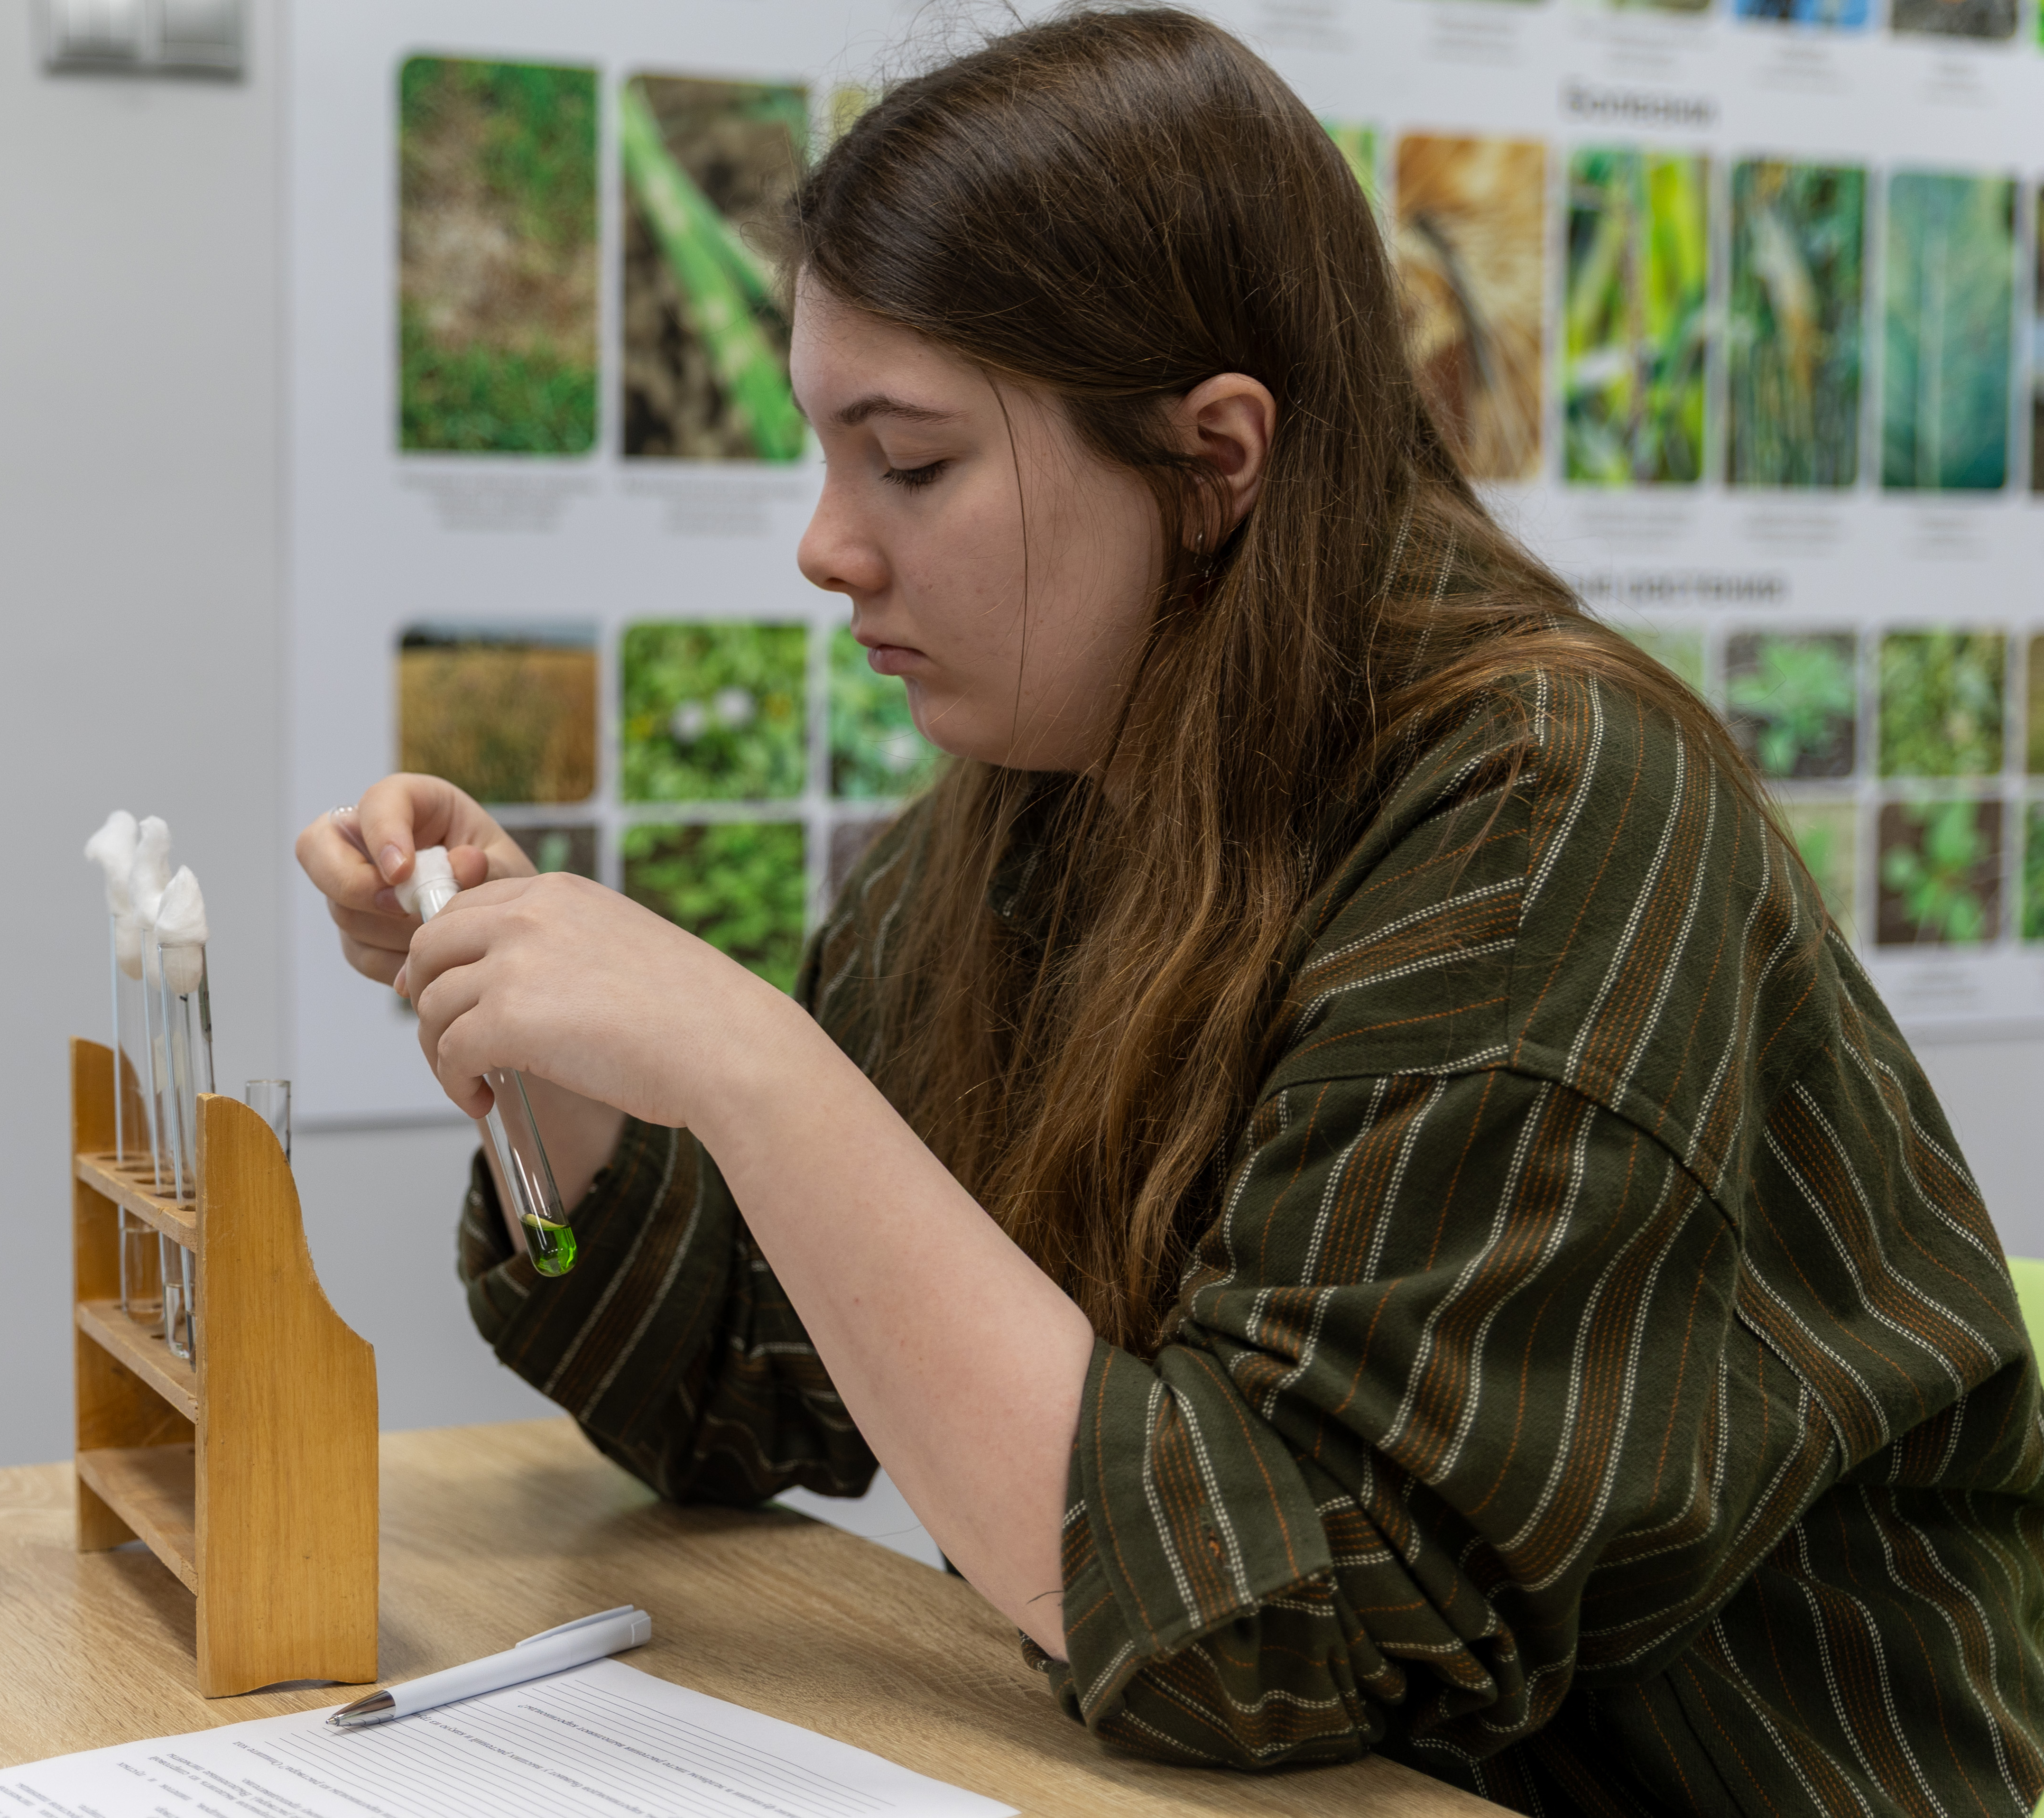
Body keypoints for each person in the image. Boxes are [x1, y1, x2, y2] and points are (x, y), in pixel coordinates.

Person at [297, 9, 2044, 1812]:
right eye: (827, 453)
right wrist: (552, 1049)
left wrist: (755, 1065)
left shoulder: (1541, 815)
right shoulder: (1045, 793)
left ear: (1214, 460)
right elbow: (738, 1384)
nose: (827, 545)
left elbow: (1287, 1628)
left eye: (910, 462)